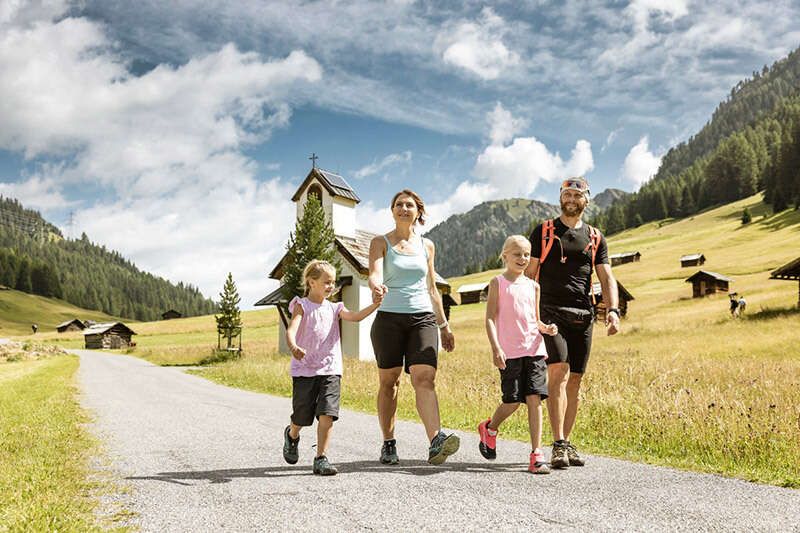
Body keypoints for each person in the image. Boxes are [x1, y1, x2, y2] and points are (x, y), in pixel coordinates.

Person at [526, 177, 620, 469]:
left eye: (576, 195)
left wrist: (613, 310)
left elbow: (606, 276)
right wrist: (527, 315)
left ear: (585, 201)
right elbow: (529, 276)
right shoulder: (544, 231)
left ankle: (566, 440)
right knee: (559, 372)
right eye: (566, 193)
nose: (570, 198)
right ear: (560, 198)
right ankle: (556, 444)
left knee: (575, 380)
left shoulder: (595, 237)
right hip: (550, 311)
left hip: (584, 314)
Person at [368, 189, 459, 465]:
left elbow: (432, 288)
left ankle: (435, 441)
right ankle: (388, 441)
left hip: (422, 318)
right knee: (389, 383)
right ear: (392, 210)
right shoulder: (379, 242)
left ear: (418, 211)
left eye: (409, 205)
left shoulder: (427, 245)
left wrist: (443, 325)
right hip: (388, 319)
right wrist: (376, 286)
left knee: (424, 377)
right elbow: (374, 272)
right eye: (399, 204)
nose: (404, 208)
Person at [283, 260, 383, 476]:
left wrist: (375, 304)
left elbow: (354, 317)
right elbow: (292, 330)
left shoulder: (334, 307)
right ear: (312, 282)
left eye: (333, 282)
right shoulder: (302, 305)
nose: (331, 286)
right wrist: (293, 346)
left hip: (330, 368)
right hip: (305, 369)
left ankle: (321, 458)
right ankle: (292, 435)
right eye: (327, 282)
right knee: (302, 415)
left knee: (327, 413)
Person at [478, 235, 558, 474]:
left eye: (526, 254)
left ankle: (536, 454)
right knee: (512, 401)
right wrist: (496, 348)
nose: (522, 259)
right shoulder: (498, 283)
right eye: (517, 254)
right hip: (509, 352)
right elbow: (490, 318)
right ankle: (490, 428)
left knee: (535, 399)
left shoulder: (534, 286)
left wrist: (546, 328)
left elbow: (535, 320)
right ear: (505, 255)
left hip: (534, 349)